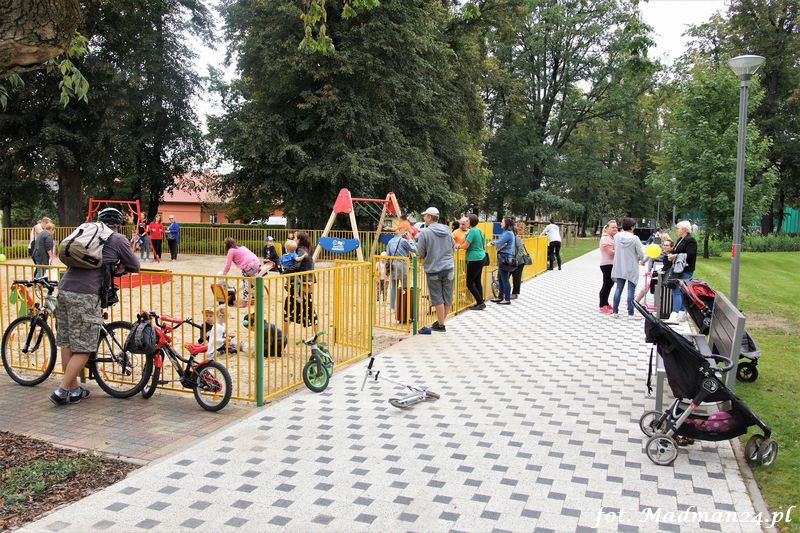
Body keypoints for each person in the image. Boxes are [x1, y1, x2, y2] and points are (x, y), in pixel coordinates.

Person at [50, 208, 140, 405]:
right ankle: (61, 390)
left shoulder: (86, 232)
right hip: (86, 294)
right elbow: (135, 265)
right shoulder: (116, 239)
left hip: (64, 289)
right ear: (118, 224)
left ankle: (73, 390)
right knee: (85, 347)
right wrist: (120, 267)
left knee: (67, 343)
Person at [415, 207, 454, 332]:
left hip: (433, 268)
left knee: (437, 297)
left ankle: (441, 325)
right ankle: (441, 321)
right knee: (447, 296)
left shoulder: (425, 233)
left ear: (430, 217)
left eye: (425, 216)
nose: (424, 218)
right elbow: (452, 247)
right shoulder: (447, 231)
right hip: (449, 267)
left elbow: (420, 252)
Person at [283, 231, 318, 334]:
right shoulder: (305, 250)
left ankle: (283, 338)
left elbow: (296, 266)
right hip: (304, 283)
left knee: (290, 310)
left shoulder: (300, 251)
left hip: (300, 284)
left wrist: (284, 273)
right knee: (307, 310)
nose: (293, 240)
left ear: (299, 240)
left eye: (294, 238)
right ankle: (318, 337)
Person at [611, 217, 645, 319]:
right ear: (632, 227)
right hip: (631, 267)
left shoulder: (617, 236)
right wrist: (643, 259)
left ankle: (615, 312)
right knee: (631, 290)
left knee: (618, 289)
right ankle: (631, 313)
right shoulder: (635, 238)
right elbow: (641, 254)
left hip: (619, 266)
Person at [667, 220, 698, 323]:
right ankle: (681, 314)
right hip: (677, 269)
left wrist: (675, 256)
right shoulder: (680, 239)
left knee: (678, 291)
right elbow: (675, 251)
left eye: (678, 228)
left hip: (685, 269)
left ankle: (674, 314)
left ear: (684, 229)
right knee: (679, 291)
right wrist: (670, 253)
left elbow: (690, 255)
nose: (676, 230)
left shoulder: (690, 240)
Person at [457, 213, 486, 310]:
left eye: (467, 220)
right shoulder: (478, 230)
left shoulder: (472, 231)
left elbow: (465, 246)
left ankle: (480, 303)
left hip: (474, 259)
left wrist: (458, 246)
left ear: (470, 222)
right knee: (477, 281)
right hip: (481, 257)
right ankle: (480, 301)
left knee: (469, 283)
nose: (466, 222)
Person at [386, 228, 417, 310]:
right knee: (405, 286)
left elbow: (387, 256)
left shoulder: (390, 241)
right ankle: (404, 305)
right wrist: (409, 239)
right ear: (405, 233)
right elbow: (414, 249)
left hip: (393, 265)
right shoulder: (404, 241)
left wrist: (387, 267)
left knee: (394, 287)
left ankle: (393, 306)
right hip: (403, 265)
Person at [492, 217, 516, 305]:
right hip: (504, 256)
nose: (500, 223)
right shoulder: (508, 232)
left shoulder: (508, 233)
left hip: (505, 257)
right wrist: (499, 244)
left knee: (505, 279)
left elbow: (498, 243)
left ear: (506, 224)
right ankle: (500, 297)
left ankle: (507, 299)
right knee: (501, 278)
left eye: (502, 222)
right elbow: (501, 243)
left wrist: (493, 243)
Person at [598, 220, 618, 314]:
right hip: (607, 265)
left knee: (609, 284)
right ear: (606, 229)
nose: (615, 229)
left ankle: (605, 303)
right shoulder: (606, 238)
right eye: (613, 227)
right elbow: (610, 252)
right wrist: (621, 251)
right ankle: (602, 305)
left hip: (611, 264)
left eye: (616, 227)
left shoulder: (611, 238)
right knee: (607, 284)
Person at [510, 221, 527, 299]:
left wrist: (516, 259)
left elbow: (521, 251)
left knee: (516, 277)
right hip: (511, 261)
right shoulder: (511, 238)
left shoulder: (517, 239)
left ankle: (515, 293)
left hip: (519, 262)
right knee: (507, 276)